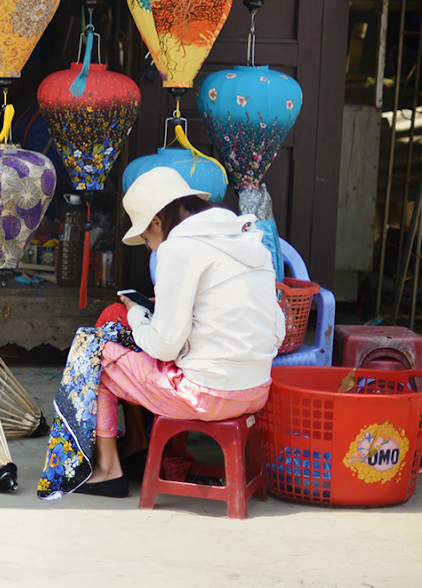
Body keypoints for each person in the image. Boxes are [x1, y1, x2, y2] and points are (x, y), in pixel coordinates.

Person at [68, 167, 284, 498]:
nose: (150, 247)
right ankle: (137, 448)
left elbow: (165, 346)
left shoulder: (178, 248)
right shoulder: (246, 238)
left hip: (209, 396)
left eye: (146, 238)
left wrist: (137, 313)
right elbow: (275, 330)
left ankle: (107, 469)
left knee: (93, 350)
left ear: (156, 221)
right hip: (256, 390)